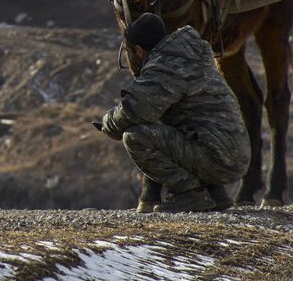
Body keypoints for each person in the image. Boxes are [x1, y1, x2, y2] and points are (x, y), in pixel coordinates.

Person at [99, 13, 251, 213]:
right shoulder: (189, 56)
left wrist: (107, 123)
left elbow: (134, 109)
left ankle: (188, 194)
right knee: (176, 123)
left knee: (135, 136)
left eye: (129, 52)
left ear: (139, 51)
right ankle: (216, 194)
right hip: (234, 155)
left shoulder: (165, 66)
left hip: (220, 158)